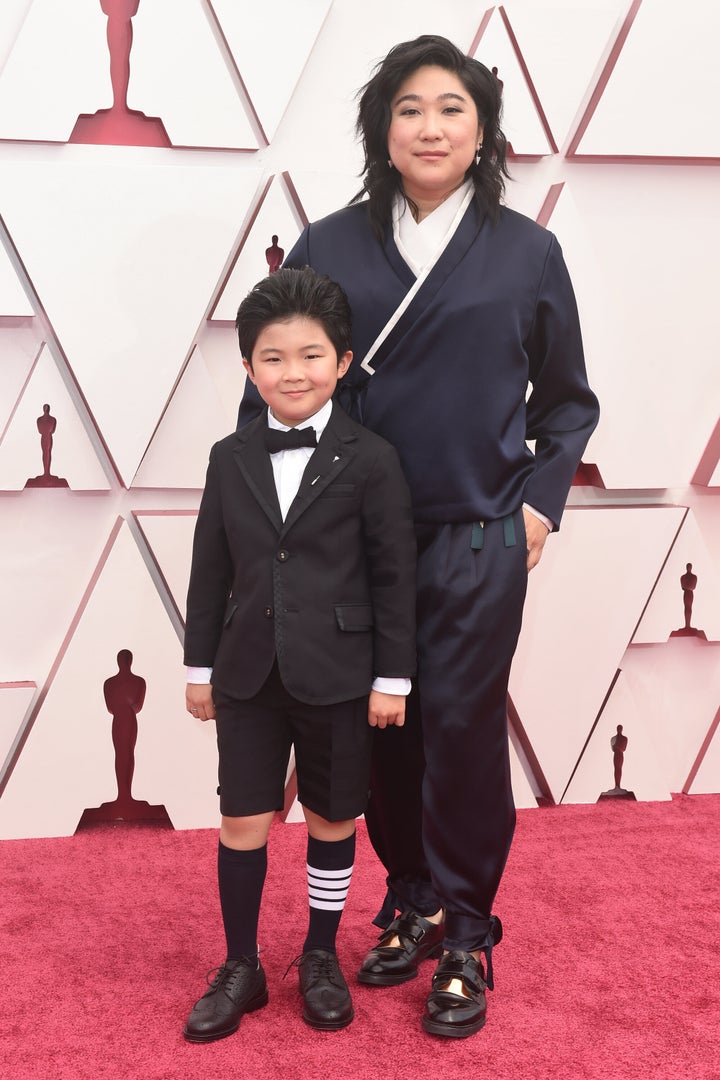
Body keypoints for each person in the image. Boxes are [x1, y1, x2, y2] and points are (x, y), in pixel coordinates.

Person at [239, 34, 600, 1040]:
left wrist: (536, 505)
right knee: (372, 731)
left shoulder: (529, 251)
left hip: (480, 535)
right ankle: (411, 895)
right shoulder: (330, 245)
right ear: (381, 129)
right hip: (350, 540)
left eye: (451, 107)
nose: (430, 126)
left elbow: (569, 404)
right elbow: (273, 384)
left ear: (482, 128)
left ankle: (470, 932)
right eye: (409, 108)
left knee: (463, 730)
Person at [182, 267, 416, 1042]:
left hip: (342, 675)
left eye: (312, 355)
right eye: (273, 358)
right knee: (242, 816)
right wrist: (198, 667)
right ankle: (242, 963)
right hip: (245, 673)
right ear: (248, 366)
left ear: (343, 362)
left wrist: (392, 676)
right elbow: (210, 568)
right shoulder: (228, 456)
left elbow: (393, 574)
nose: (293, 373)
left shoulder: (374, 459)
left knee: (331, 817)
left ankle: (319, 955)